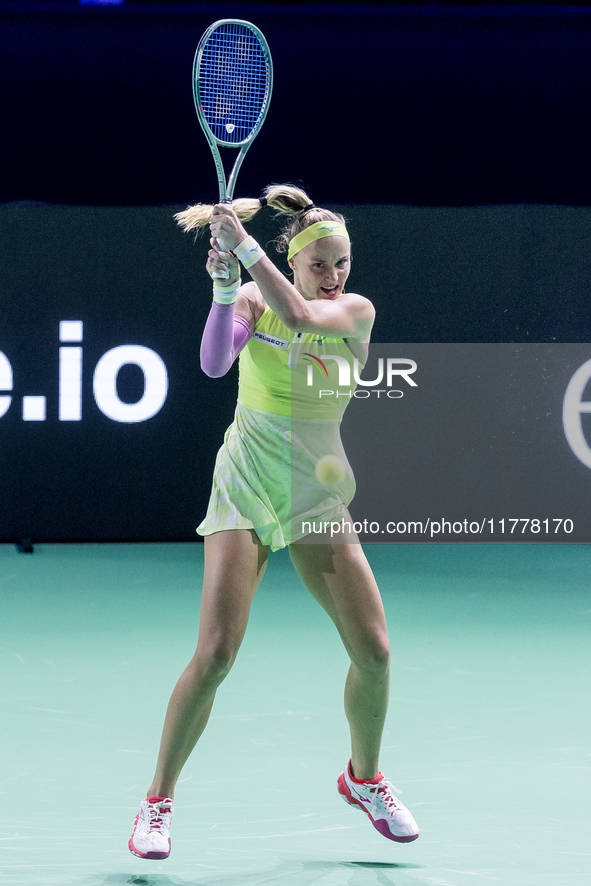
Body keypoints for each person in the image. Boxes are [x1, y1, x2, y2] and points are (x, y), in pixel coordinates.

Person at [128, 185, 419, 860]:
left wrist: (243, 245)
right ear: (295, 261)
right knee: (216, 652)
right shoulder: (260, 300)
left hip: (316, 493)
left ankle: (363, 778)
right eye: (320, 264)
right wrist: (226, 285)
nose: (333, 274)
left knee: (373, 651)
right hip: (247, 481)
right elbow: (212, 362)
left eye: (341, 262)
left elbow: (296, 310)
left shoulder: (352, 311)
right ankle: (157, 802)